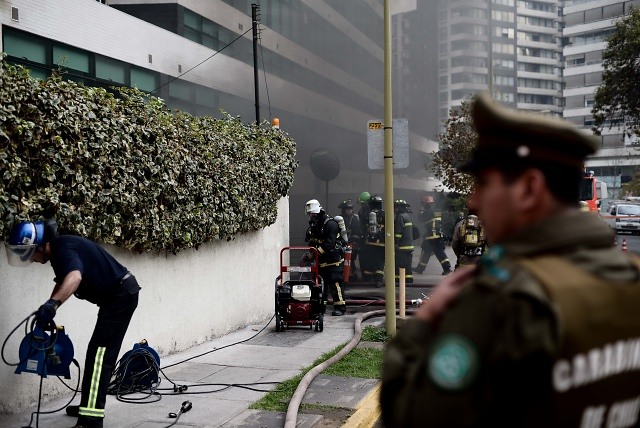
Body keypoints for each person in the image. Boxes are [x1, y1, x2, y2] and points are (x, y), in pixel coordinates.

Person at [381, 92, 640, 427]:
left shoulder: (501, 301)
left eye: (484, 183)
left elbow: (412, 415)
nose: (473, 201)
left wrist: (426, 322)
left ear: (529, 189)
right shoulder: (631, 278)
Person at [5, 219, 140, 428]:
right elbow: (62, 282)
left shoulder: (63, 249)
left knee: (99, 357)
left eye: (30, 252)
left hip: (121, 296)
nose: (30, 259)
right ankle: (89, 406)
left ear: (39, 245)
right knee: (95, 353)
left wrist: (53, 304)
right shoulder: (60, 252)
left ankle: (91, 420)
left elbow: (74, 277)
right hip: (117, 296)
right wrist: (48, 309)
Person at [303, 199, 347, 316]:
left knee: (335, 283)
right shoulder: (314, 225)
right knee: (321, 285)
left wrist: (314, 253)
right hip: (321, 261)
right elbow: (312, 241)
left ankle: (340, 307)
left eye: (312, 214)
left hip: (333, 260)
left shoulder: (330, 224)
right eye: (309, 214)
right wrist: (308, 254)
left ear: (318, 212)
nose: (310, 217)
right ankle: (320, 307)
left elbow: (329, 243)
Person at [415, 195, 452, 275]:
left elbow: (421, 219)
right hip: (437, 235)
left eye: (423, 203)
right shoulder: (437, 210)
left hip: (431, 236)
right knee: (432, 252)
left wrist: (421, 210)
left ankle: (446, 268)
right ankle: (420, 268)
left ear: (426, 203)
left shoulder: (428, 211)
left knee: (430, 251)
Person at [362, 195, 385, 287]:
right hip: (381, 242)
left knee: (370, 260)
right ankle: (378, 280)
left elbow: (363, 227)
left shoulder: (367, 214)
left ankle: (368, 278)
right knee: (380, 261)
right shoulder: (385, 214)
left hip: (369, 242)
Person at [338, 199, 361, 282]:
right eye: (348, 209)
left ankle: (352, 276)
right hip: (343, 243)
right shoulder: (340, 219)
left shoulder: (354, 218)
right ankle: (347, 277)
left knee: (350, 259)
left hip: (352, 243)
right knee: (345, 260)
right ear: (344, 210)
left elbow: (358, 231)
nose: (350, 211)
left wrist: (355, 241)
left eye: (351, 209)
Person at [394, 199, 414, 284]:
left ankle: (398, 281)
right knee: (407, 265)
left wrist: (395, 242)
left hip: (401, 246)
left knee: (399, 265)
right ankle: (409, 280)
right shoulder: (407, 216)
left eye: (395, 207)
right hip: (409, 246)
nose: (394, 209)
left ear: (398, 208)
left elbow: (399, 231)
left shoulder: (400, 217)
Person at [356, 191, 372, 280]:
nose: (362, 205)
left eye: (363, 203)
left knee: (367, 258)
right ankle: (365, 276)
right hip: (362, 237)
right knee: (362, 257)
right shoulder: (361, 211)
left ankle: (368, 277)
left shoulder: (370, 212)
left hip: (367, 238)